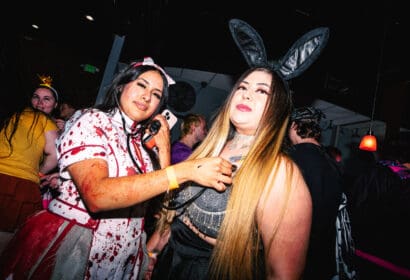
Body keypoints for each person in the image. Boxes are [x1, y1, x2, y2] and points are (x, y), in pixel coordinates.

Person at [0, 57, 233, 279]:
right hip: (77, 248)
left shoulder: (141, 144)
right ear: (121, 86)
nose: (146, 96)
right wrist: (185, 171)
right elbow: (97, 195)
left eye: (156, 94)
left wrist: (164, 151)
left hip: (123, 255)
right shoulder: (90, 120)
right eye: (141, 85)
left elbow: (162, 203)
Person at [287, 106, 352, 279]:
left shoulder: (291, 158)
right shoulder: (332, 161)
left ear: (294, 126)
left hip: (294, 255)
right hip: (323, 255)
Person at [0, 94, 59, 252]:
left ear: (55, 105)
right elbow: (54, 155)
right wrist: (39, 173)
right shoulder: (18, 116)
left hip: (18, 183)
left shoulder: (16, 116)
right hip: (19, 184)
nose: (40, 102)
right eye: (36, 97)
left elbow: (54, 154)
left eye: (46, 99)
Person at [347, 143, 410, 280]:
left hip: (359, 246)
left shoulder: (372, 170)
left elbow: (355, 202)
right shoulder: (401, 178)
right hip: (387, 255)